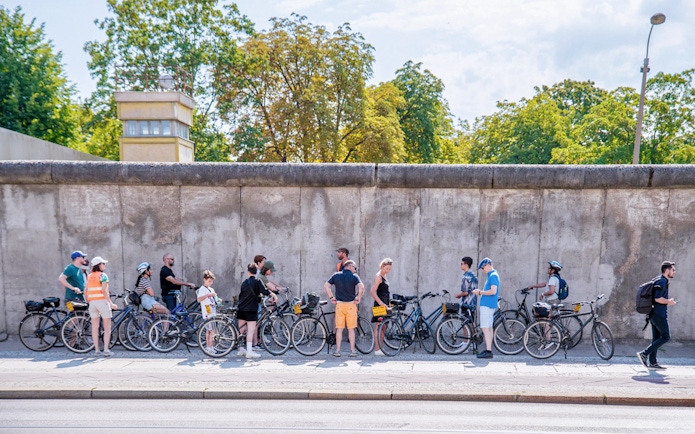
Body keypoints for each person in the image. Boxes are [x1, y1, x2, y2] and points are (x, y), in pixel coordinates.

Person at [637, 261, 677, 371]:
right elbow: (657, 298)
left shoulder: (658, 279)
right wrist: (669, 302)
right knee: (665, 337)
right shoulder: (662, 281)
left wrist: (668, 301)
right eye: (673, 270)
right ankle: (644, 354)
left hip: (653, 314)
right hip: (659, 315)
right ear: (667, 270)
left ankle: (653, 362)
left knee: (656, 339)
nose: (674, 272)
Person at [324, 259, 364, 357]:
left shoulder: (336, 275)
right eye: (355, 268)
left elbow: (326, 286)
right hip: (351, 305)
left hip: (339, 305)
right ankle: (352, 351)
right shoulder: (354, 276)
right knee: (351, 329)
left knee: (339, 329)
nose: (355, 270)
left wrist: (331, 297)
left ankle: (337, 351)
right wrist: (358, 297)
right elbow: (361, 287)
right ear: (350, 267)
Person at [237, 264, 277, 359]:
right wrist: (274, 296)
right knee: (251, 330)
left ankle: (241, 349)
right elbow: (265, 291)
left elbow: (241, 295)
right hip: (251, 309)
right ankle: (249, 351)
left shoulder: (244, 282)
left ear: (248, 272)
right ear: (256, 272)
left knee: (241, 330)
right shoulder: (257, 281)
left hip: (241, 308)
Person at [85, 256, 117, 357]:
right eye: (103, 264)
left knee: (95, 327)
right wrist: (111, 303)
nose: (105, 265)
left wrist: (89, 301)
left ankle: (97, 350)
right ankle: (106, 350)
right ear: (99, 265)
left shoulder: (89, 276)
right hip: (102, 302)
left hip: (92, 303)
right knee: (107, 328)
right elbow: (104, 291)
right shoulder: (103, 275)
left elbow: (85, 291)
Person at [472, 257, 499, 359]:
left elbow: (493, 291)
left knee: (484, 327)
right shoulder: (492, 275)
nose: (483, 270)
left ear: (488, 265)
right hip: (489, 305)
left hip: (487, 306)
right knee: (489, 327)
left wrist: (480, 292)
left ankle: (488, 351)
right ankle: (489, 349)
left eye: (483, 268)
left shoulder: (492, 276)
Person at [370, 258, 392, 356]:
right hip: (380, 304)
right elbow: (372, 292)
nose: (388, 270)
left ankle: (381, 348)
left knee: (384, 326)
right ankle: (377, 349)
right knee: (379, 326)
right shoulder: (378, 277)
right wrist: (381, 303)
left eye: (389, 269)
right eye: (387, 268)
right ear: (382, 266)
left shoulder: (384, 276)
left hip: (385, 303)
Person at [197, 270, 219, 352]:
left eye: (211, 281)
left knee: (210, 329)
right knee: (212, 329)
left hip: (212, 309)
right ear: (204, 280)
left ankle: (209, 346)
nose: (210, 283)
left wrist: (217, 299)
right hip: (208, 310)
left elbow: (213, 299)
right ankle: (209, 346)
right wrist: (208, 295)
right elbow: (199, 299)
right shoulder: (202, 289)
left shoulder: (211, 289)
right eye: (209, 281)